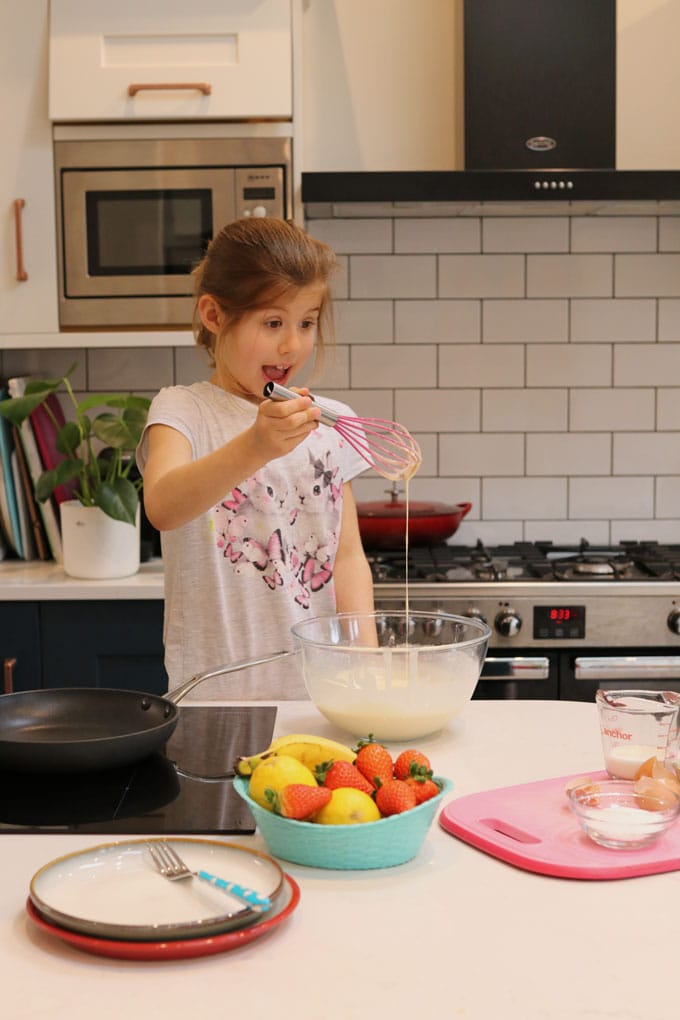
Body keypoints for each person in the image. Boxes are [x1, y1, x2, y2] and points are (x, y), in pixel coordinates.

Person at [137, 217, 375, 699]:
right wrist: (256, 445)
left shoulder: (330, 422)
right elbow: (162, 506)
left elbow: (347, 557)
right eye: (273, 323)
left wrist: (367, 666)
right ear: (214, 315)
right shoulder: (183, 409)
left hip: (321, 695)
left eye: (306, 323)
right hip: (215, 699)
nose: (292, 344)